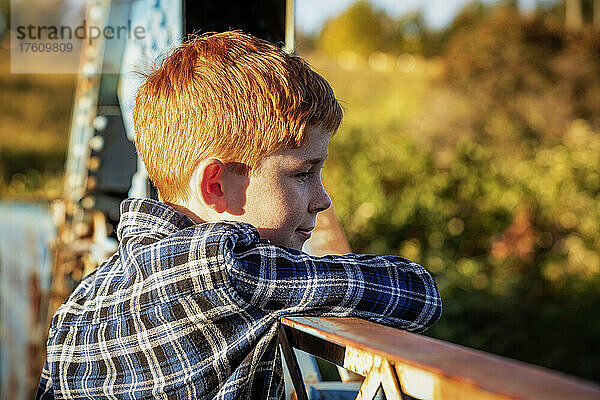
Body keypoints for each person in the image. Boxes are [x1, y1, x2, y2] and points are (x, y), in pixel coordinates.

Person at [37, 31, 442, 400]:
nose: (322, 199)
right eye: (302, 173)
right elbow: (418, 296)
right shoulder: (224, 266)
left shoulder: (83, 298)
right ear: (215, 186)